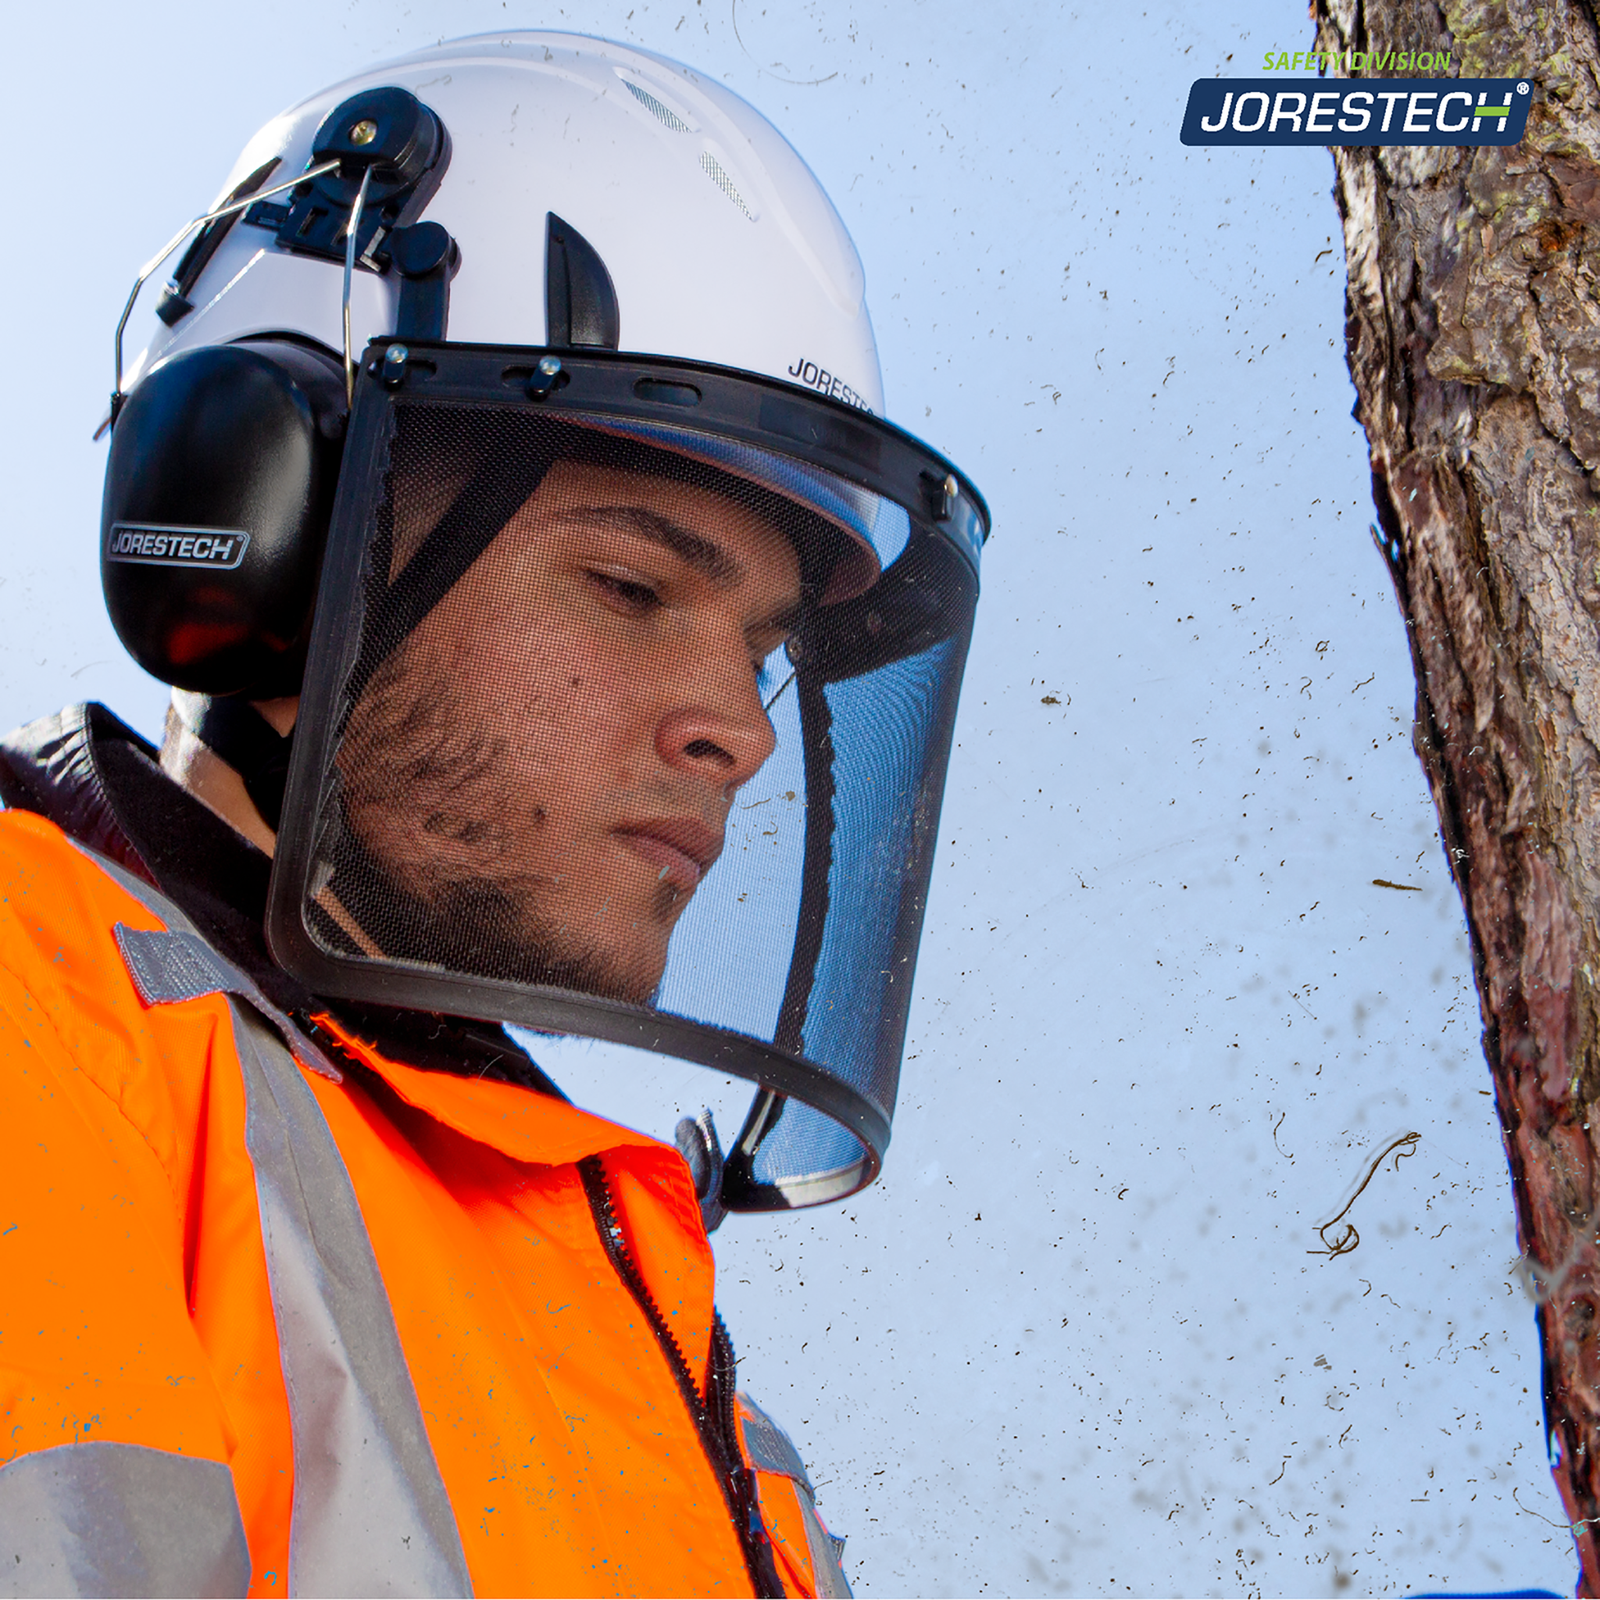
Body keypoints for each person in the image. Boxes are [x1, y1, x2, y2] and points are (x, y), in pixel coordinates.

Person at [0, 30, 986, 1599]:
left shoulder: (631, 1307)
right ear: (261, 537)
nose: (735, 730)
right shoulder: (38, 1010)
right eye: (631, 585)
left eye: (762, 652)